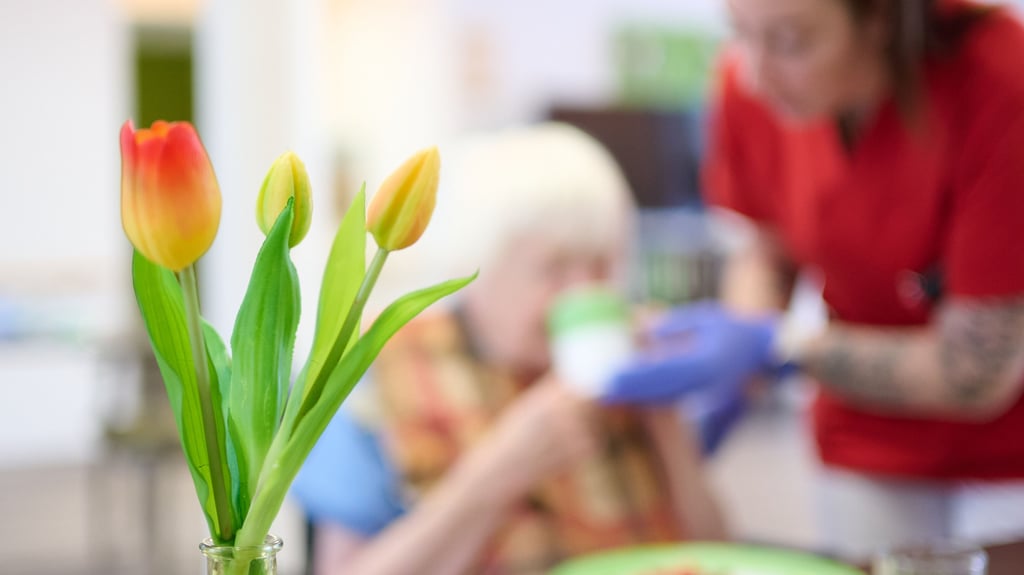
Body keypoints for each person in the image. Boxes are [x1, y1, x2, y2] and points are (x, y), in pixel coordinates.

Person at [605, 0, 1024, 560]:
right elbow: (766, 252)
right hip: (861, 434)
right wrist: (737, 351)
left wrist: (772, 346)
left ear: (878, 21)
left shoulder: (997, 79)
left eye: (791, 42)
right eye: (741, 36)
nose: (754, 77)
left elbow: (977, 371)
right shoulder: (747, 87)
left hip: (1005, 447)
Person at [291, 123, 725, 575]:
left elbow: (717, 555)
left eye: (601, 264)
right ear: (479, 265)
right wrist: (500, 472)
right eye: (554, 268)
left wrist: (668, 427)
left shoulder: (630, 356)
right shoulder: (376, 369)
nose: (584, 294)